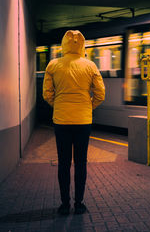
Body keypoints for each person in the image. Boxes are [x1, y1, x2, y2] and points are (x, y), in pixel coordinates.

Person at [43, 30, 105, 215]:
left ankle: (64, 204)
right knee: (81, 163)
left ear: (64, 44)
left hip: (61, 121)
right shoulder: (90, 66)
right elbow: (100, 94)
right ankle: (79, 203)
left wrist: (59, 105)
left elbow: (47, 94)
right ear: (82, 44)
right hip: (83, 121)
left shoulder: (53, 65)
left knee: (63, 163)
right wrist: (87, 107)